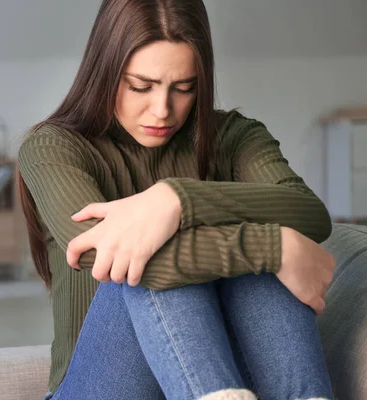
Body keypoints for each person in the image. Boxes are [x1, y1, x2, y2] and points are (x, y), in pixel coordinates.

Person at [17, 0, 336, 399]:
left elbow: (309, 212)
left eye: (183, 88)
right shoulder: (53, 147)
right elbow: (104, 255)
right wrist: (275, 247)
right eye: (140, 86)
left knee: (241, 260)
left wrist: (176, 200)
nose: (162, 110)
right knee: (137, 255)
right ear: (105, 72)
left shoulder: (233, 137)